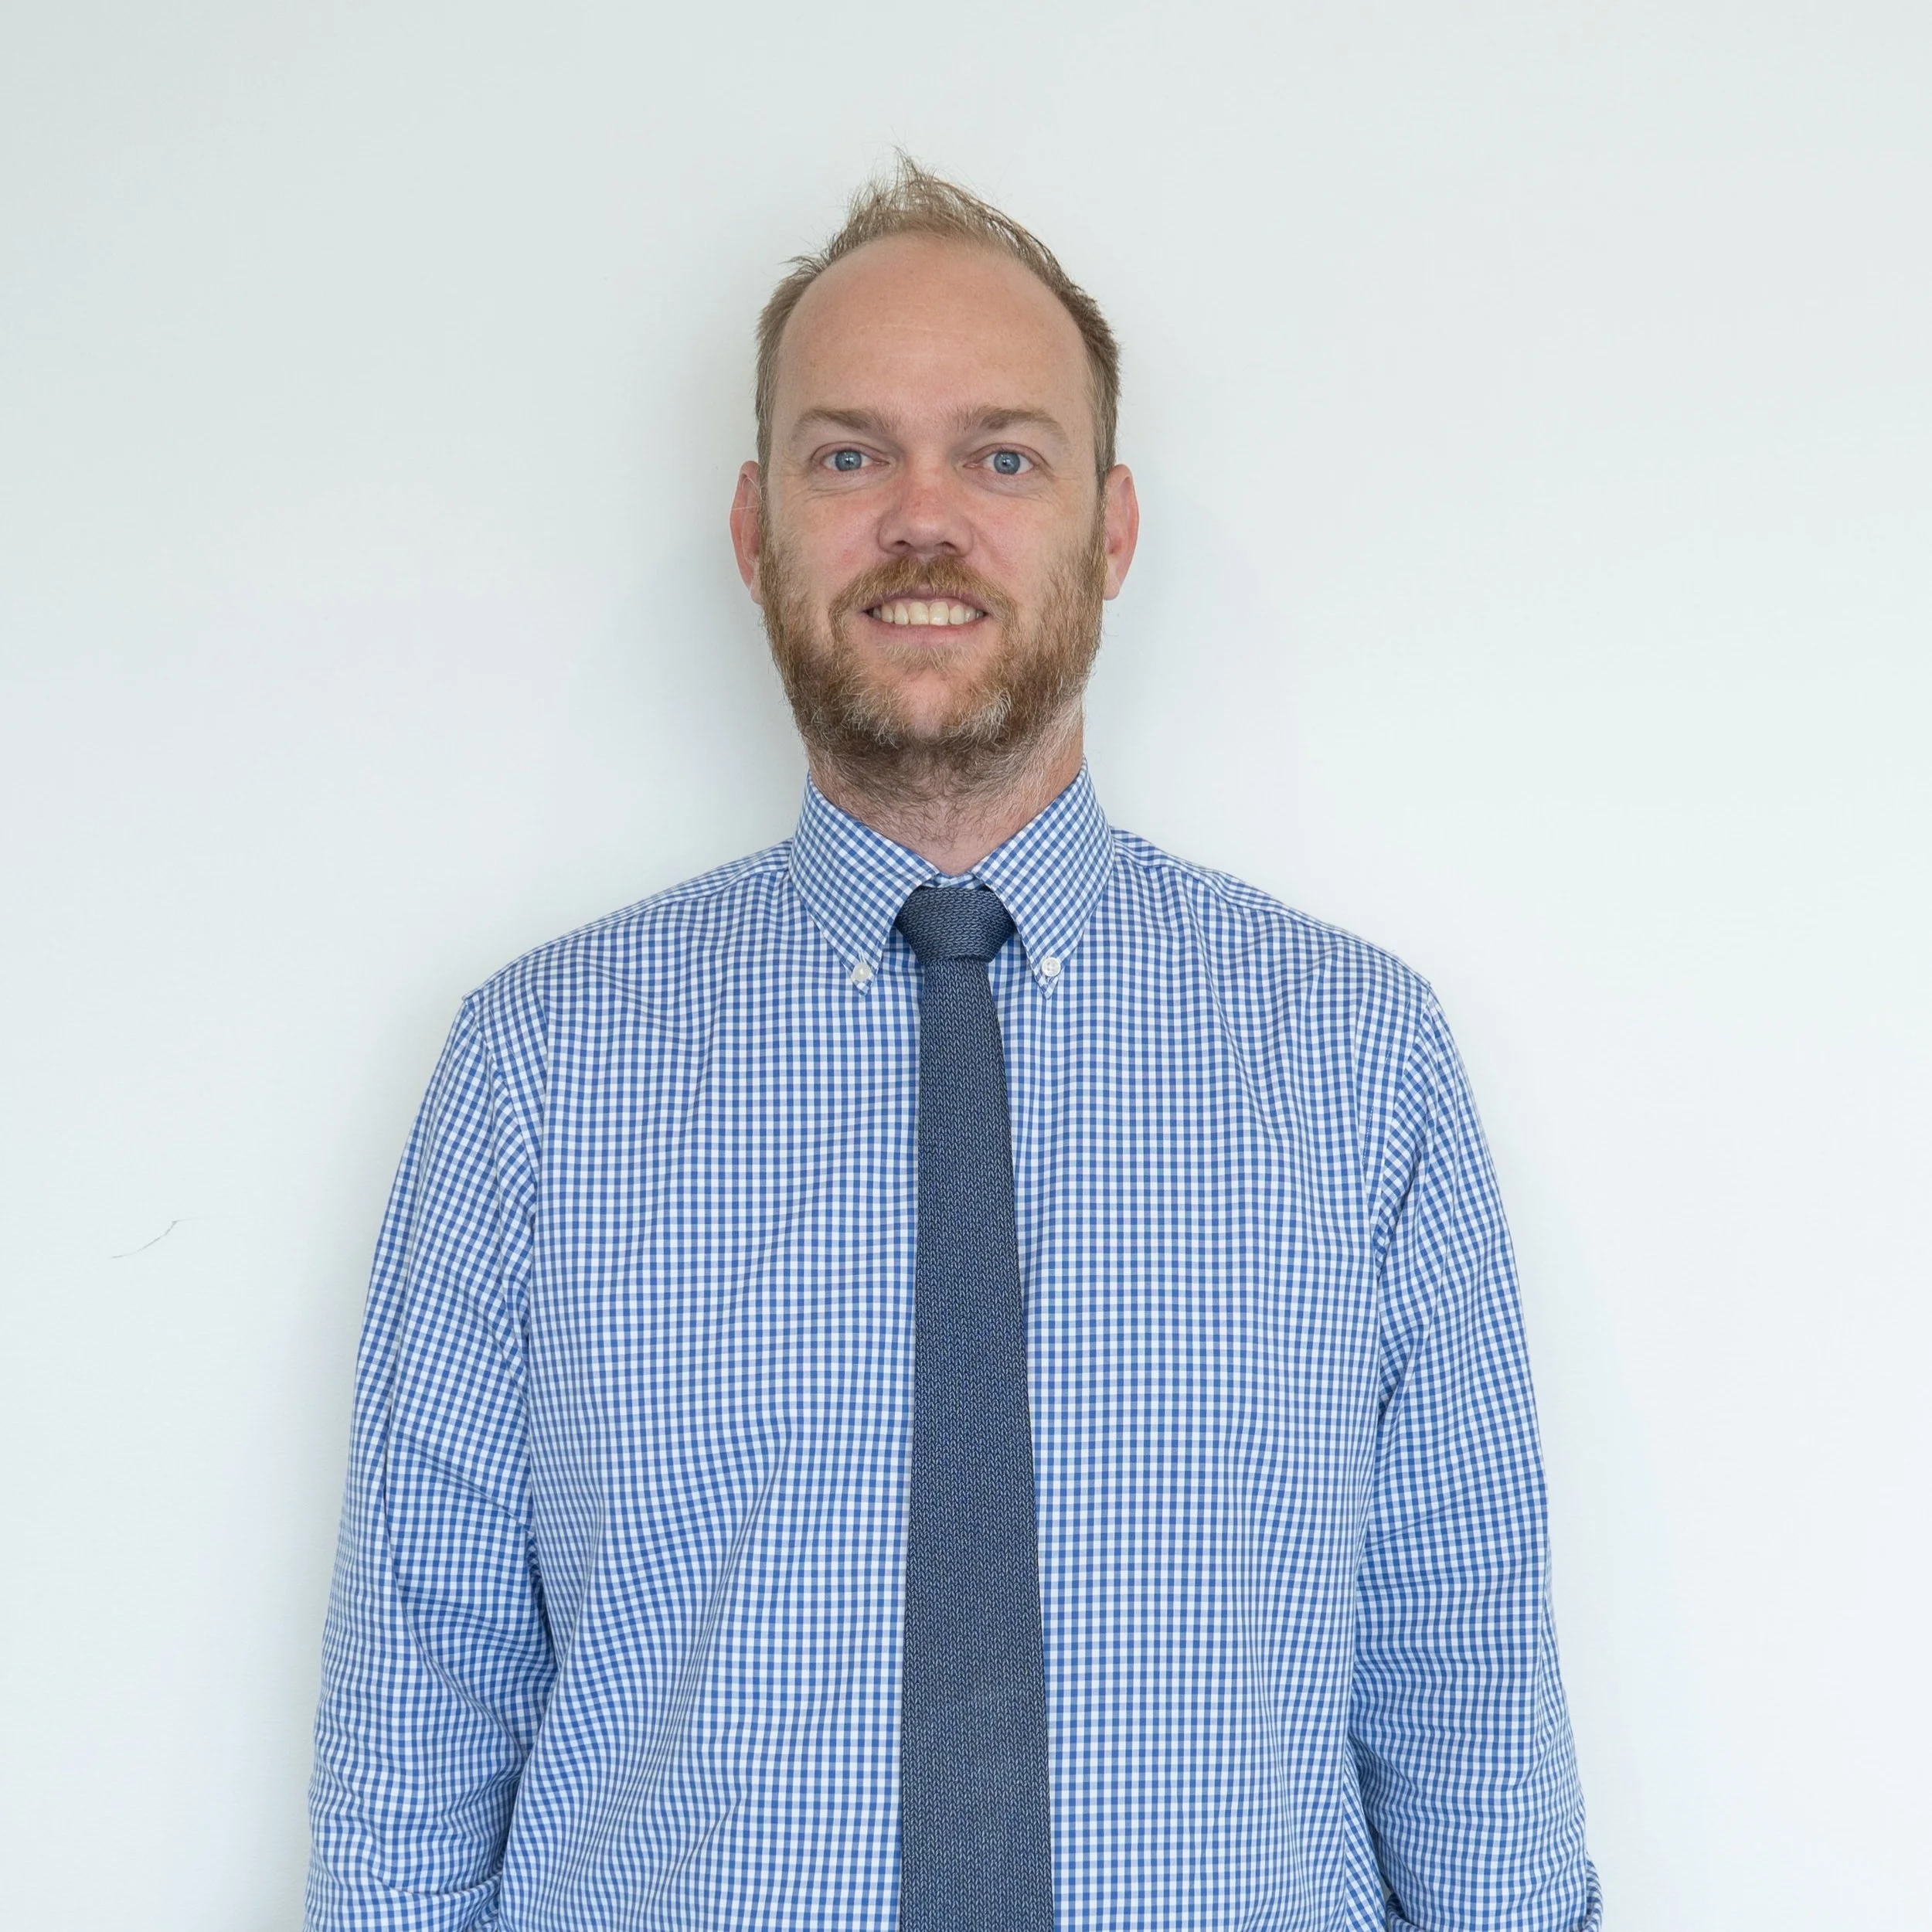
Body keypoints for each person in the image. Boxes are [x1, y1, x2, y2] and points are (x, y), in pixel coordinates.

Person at [307, 158, 1601, 1932]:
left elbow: (1469, 1718)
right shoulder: (534, 1072)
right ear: (757, 528)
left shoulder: (1356, 1060)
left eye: (1001, 455)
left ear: (1109, 527)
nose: (924, 520)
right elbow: (414, 1740)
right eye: (850, 456)